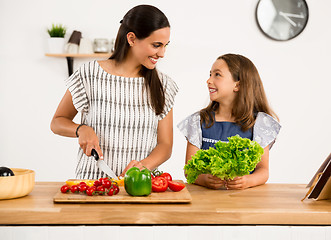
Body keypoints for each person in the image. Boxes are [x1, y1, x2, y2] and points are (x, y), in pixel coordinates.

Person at [50, 5, 178, 179]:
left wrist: (143, 166)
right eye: (156, 45)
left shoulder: (164, 85)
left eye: (165, 46)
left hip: (138, 189)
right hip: (92, 186)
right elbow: (57, 122)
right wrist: (81, 129)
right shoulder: (90, 74)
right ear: (131, 39)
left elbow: (165, 145)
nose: (162, 53)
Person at [177, 54, 281, 190]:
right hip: (206, 201)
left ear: (237, 85)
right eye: (210, 74)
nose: (208, 80)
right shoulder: (198, 121)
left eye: (217, 75)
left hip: (243, 202)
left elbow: (263, 171)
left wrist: (247, 181)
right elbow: (189, 170)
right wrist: (204, 179)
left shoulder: (259, 123)